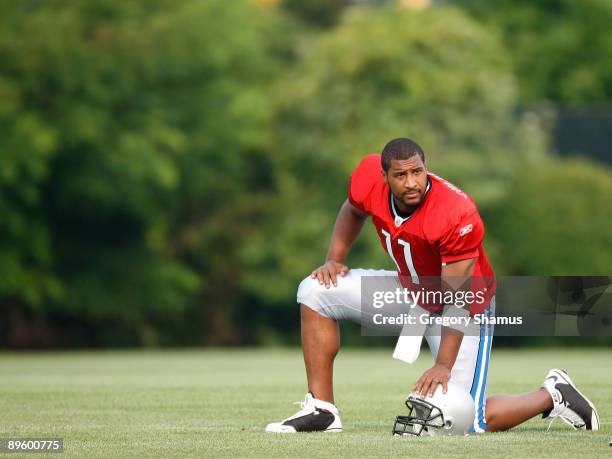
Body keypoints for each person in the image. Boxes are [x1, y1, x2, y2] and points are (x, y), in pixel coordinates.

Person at [265, 138, 599, 434]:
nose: (411, 182)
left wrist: (443, 366)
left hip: (462, 307)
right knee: (314, 290)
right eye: (400, 175)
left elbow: (457, 297)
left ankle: (553, 393)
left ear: (427, 169)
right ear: (384, 177)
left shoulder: (456, 212)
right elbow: (353, 209)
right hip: (409, 292)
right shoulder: (368, 177)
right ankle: (322, 411)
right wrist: (333, 258)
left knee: (468, 420)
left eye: (417, 172)